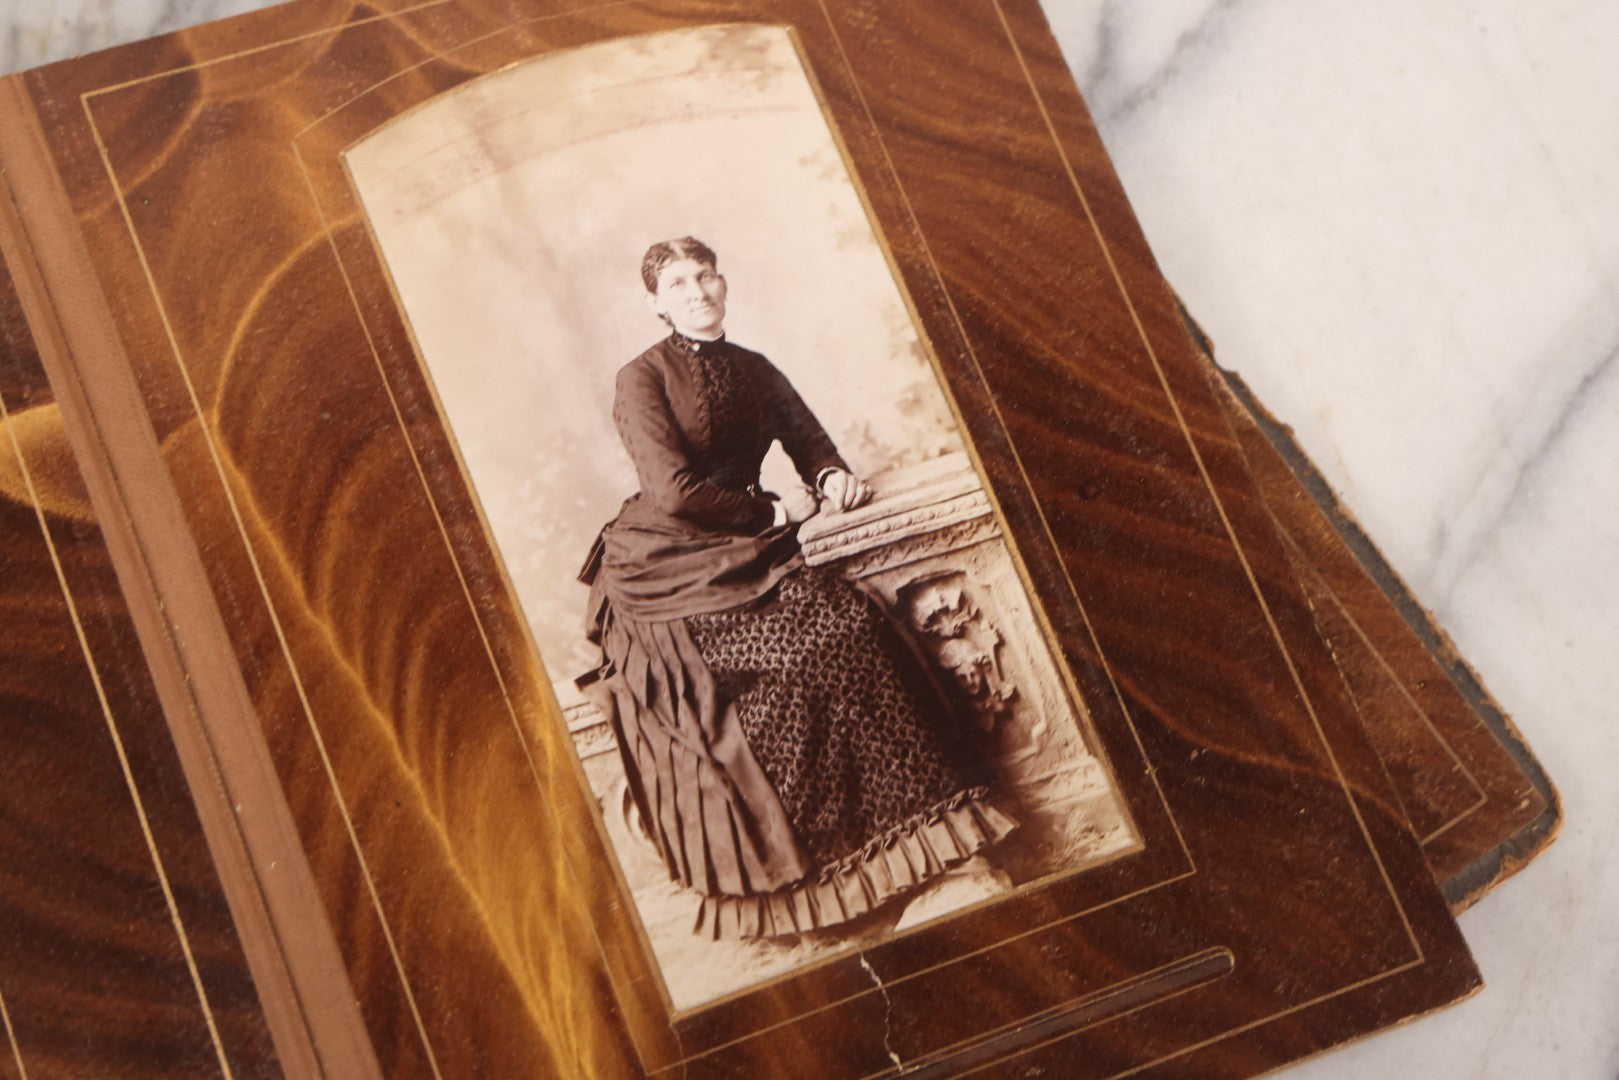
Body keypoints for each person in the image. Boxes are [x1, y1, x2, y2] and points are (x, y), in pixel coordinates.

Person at [578, 236, 1014, 940]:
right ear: (655, 302)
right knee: (782, 671)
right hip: (665, 565)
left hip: (747, 547)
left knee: (852, 630)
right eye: (679, 283)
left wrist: (830, 477)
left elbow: (807, 439)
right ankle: (817, 893)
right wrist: (775, 512)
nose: (697, 291)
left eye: (706, 276)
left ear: (724, 284)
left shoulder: (753, 367)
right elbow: (673, 490)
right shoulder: (643, 378)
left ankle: (923, 855)